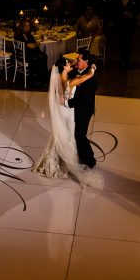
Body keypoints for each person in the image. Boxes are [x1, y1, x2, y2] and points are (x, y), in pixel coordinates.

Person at [32, 58, 102, 187]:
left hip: (63, 110)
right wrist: (91, 73)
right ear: (63, 68)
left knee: (63, 134)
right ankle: (70, 160)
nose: (71, 65)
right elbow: (76, 85)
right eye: (68, 64)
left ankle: (59, 158)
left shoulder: (62, 78)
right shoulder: (70, 81)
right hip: (68, 111)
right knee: (70, 135)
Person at [67, 50, 99, 168]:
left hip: (84, 110)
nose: (76, 62)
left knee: (80, 135)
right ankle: (81, 155)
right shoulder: (79, 70)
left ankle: (90, 160)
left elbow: (81, 99)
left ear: (86, 62)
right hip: (78, 109)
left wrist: (67, 103)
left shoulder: (90, 79)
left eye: (79, 60)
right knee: (77, 134)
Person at [114, 0, 140, 69]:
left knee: (128, 42)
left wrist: (132, 14)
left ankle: (127, 61)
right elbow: (115, 8)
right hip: (120, 23)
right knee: (121, 42)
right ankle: (123, 60)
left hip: (130, 24)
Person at [13, 19, 47, 85]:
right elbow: (29, 45)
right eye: (25, 25)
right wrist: (37, 44)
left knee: (43, 56)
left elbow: (32, 43)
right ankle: (37, 79)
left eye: (28, 25)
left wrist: (35, 44)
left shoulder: (28, 34)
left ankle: (42, 78)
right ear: (22, 26)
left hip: (26, 53)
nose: (27, 27)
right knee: (40, 58)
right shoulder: (20, 35)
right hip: (24, 56)